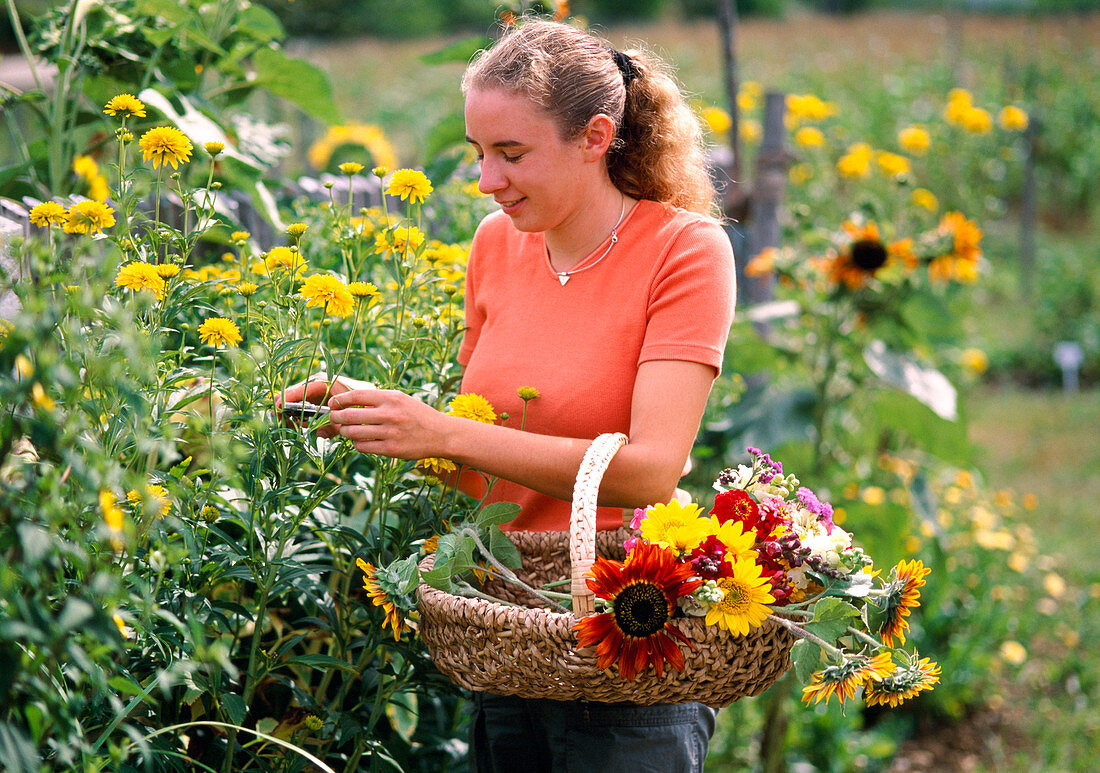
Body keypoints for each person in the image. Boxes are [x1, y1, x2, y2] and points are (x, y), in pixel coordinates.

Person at [281, 18, 736, 773]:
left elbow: (652, 469)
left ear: (595, 136)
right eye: (479, 153)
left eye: (512, 153)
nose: (488, 180)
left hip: (626, 644)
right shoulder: (497, 245)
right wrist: (375, 413)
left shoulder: (685, 250)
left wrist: (444, 434)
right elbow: (480, 461)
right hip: (509, 634)